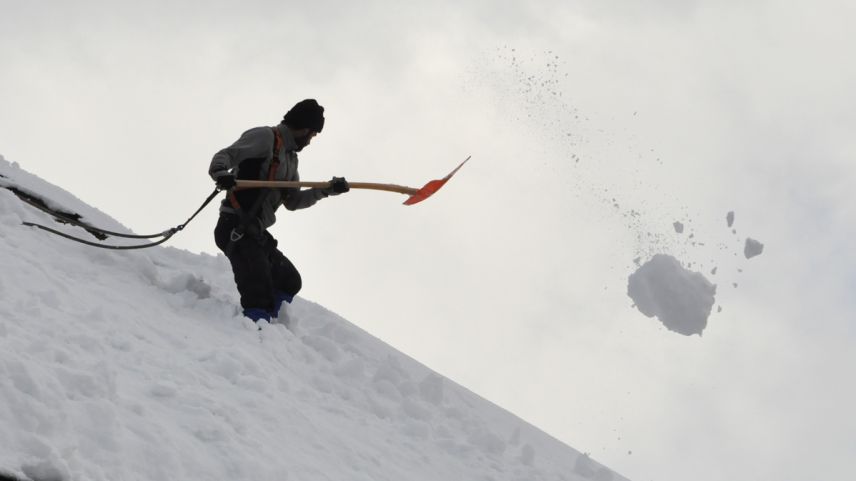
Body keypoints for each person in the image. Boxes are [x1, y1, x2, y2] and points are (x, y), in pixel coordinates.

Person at [208, 99, 349, 323]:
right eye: (312, 134)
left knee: (289, 281)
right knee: (258, 289)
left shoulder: (291, 160)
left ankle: (272, 323)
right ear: (303, 127)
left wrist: (325, 190)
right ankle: (256, 326)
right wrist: (220, 173)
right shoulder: (265, 137)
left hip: (256, 232)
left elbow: (293, 201)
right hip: (236, 226)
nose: (310, 141)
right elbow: (226, 155)